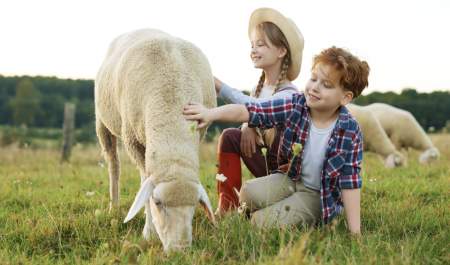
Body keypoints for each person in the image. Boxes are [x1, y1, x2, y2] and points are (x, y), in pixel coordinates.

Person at [184, 46, 370, 234]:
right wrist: (210, 113)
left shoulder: (350, 131)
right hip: (291, 178)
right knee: (247, 193)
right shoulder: (296, 104)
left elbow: (350, 181)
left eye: (326, 85)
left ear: (345, 98)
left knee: (260, 223)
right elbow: (249, 110)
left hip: (318, 195)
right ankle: (275, 208)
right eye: (313, 79)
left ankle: (299, 216)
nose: (314, 87)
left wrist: (355, 233)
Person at [214, 7, 304, 215]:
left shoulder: (289, 94)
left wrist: (217, 84)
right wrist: (247, 126)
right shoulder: (259, 89)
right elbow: (252, 108)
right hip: (267, 168)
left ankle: (268, 199)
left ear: (281, 51)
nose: (253, 50)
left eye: (261, 45)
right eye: (252, 45)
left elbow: (254, 108)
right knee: (230, 136)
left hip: (287, 174)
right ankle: (226, 205)